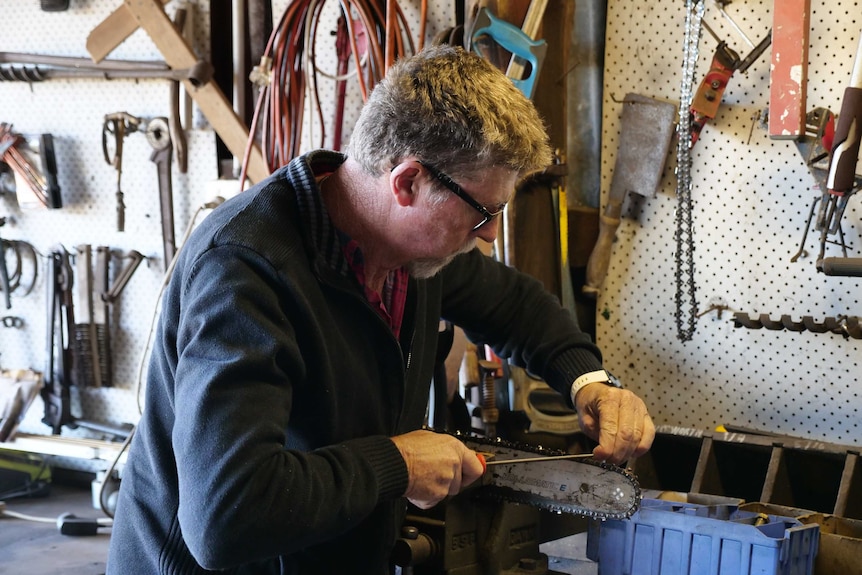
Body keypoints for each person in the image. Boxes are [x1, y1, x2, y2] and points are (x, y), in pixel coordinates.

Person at [106, 44, 654, 575]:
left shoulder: (409, 252)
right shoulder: (246, 271)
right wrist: (399, 463)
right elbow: (225, 516)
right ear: (408, 182)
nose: (488, 236)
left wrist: (591, 382)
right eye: (484, 213)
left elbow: (514, 305)